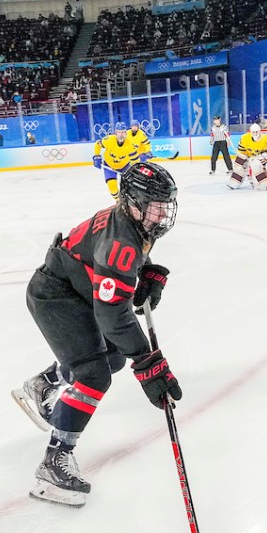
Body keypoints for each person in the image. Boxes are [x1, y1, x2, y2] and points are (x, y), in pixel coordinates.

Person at [16, 160, 181, 508]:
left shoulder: (130, 222)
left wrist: (147, 272)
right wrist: (148, 363)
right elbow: (113, 316)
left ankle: (46, 382)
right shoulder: (121, 242)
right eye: (154, 207)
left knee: (114, 356)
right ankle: (53, 463)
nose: (161, 215)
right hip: (56, 297)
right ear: (133, 203)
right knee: (94, 374)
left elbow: (116, 266)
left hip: (76, 289)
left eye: (165, 206)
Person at [93, 123, 144, 199]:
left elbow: (135, 160)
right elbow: (98, 144)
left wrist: (138, 168)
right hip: (109, 165)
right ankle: (118, 200)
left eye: (123, 132)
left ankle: (129, 199)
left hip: (124, 166)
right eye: (119, 132)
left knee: (130, 185)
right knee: (112, 187)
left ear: (126, 133)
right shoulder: (109, 140)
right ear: (115, 133)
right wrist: (97, 156)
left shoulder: (130, 145)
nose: (121, 134)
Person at [226, 123, 267, 190]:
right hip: (247, 155)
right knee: (238, 164)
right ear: (250, 131)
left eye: (256, 132)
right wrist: (243, 157)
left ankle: (263, 182)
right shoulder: (244, 138)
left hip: (258, 156)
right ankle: (235, 182)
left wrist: (260, 158)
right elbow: (241, 151)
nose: (255, 133)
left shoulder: (264, 139)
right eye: (253, 132)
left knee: (255, 164)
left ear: (260, 131)